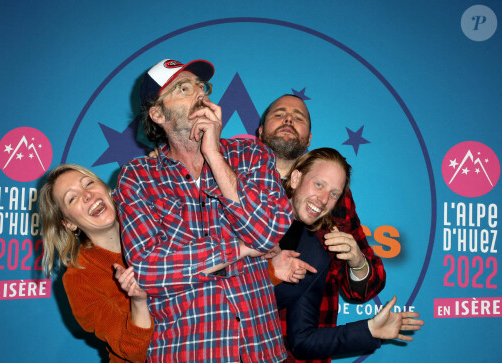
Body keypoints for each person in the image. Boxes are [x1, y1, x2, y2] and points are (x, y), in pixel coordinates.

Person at [115, 58, 304, 362]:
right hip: (186, 351)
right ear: (158, 114)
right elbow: (149, 270)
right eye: (184, 88)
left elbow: (268, 233)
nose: (200, 94)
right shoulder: (137, 177)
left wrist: (214, 155)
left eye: (202, 87)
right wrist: (239, 250)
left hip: (261, 350)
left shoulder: (252, 154)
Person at [258, 94, 387, 363]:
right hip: (228, 346)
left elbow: (362, 289)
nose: (289, 119)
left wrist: (358, 262)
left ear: (309, 139)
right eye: (279, 114)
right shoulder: (229, 184)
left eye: (299, 117)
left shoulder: (336, 201)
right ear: (260, 131)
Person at [273, 148, 423, 361]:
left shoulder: (314, 255)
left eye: (334, 193)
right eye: (319, 184)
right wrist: (268, 271)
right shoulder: (238, 211)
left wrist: (370, 329)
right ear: (296, 178)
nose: (324, 199)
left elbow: (303, 340)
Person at [40, 164, 153, 363]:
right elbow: (132, 351)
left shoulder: (157, 226)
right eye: (72, 198)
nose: (87, 195)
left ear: (107, 189)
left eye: (89, 183)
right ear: (68, 223)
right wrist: (138, 302)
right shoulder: (78, 278)